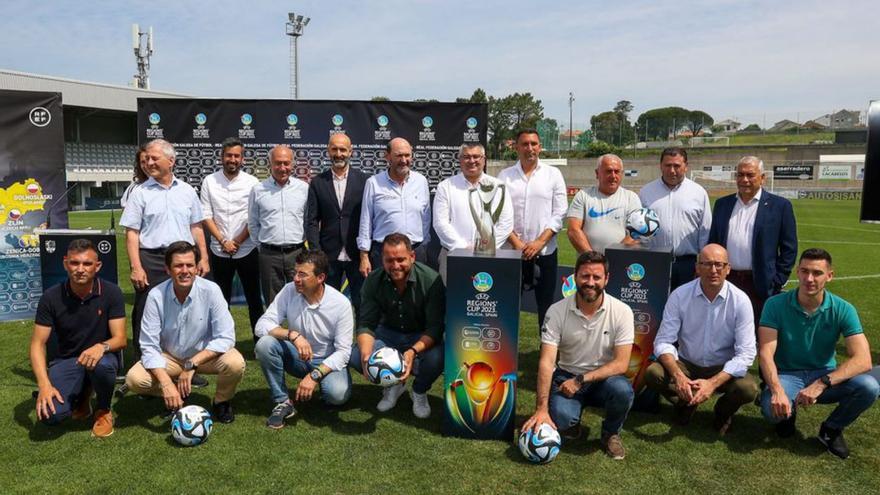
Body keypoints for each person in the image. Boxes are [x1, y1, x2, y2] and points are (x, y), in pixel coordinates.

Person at [759, 248, 879, 459]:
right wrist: (777, 390)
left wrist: (821, 383)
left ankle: (831, 429)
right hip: (788, 374)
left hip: (824, 374)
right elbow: (766, 353)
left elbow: (864, 359)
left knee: (869, 387)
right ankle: (787, 412)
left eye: (817, 273)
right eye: (804, 271)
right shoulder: (775, 304)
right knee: (771, 409)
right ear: (797, 271)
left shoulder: (843, 308)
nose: (809, 279)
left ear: (830, 276)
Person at [522, 251, 634, 460]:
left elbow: (621, 364)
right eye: (585, 276)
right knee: (562, 419)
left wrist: (582, 379)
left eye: (596, 277)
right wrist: (541, 409)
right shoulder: (556, 311)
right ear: (575, 277)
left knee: (622, 390)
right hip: (566, 376)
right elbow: (546, 362)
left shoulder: (622, 311)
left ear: (606, 279)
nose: (590, 282)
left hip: (604, 380)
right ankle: (571, 424)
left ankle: (610, 433)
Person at [124, 242, 245, 424]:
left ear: (197, 268)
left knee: (235, 363)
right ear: (168, 269)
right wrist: (165, 383)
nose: (185, 271)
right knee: (134, 379)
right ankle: (173, 392)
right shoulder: (155, 295)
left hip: (203, 356)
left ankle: (221, 401)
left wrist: (192, 365)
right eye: (178, 265)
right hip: (169, 358)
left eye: (189, 265)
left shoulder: (211, 290)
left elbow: (226, 337)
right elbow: (148, 346)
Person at [644, 244, 758, 435]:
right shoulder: (680, 295)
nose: (713, 270)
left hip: (722, 366)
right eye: (706, 264)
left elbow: (746, 353)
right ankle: (686, 403)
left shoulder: (741, 300)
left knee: (748, 388)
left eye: (719, 265)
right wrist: (679, 376)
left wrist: (712, 383)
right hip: (687, 363)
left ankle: (722, 413)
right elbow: (663, 341)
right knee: (653, 373)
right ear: (697, 267)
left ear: (728, 269)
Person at [120, 139, 210, 377]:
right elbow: (132, 233)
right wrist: (136, 266)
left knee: (187, 312)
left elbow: (197, 227)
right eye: (146, 159)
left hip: (183, 257)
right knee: (144, 311)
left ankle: (188, 367)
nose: (148, 163)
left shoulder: (188, 191)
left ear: (171, 161)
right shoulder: (139, 193)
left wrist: (204, 258)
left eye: (154, 158)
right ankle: (145, 368)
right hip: (151, 259)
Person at [30, 239, 127, 437]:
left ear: (97, 266)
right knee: (50, 416)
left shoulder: (111, 292)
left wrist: (101, 347)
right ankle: (82, 396)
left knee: (103, 366)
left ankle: (103, 410)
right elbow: (37, 344)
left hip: (102, 358)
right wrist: (44, 385)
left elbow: (120, 339)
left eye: (87, 264)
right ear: (65, 263)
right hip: (67, 360)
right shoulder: (50, 297)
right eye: (74, 263)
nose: (80, 269)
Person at [349, 233, 445, 418]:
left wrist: (412, 352)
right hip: (387, 335)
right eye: (389, 260)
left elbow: (435, 328)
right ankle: (394, 385)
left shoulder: (431, 280)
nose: (395, 265)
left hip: (420, 335)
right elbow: (366, 323)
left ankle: (419, 390)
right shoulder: (373, 280)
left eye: (401, 259)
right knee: (355, 355)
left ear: (412, 256)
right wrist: (366, 355)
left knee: (439, 356)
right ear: (382, 259)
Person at [254, 250, 353, 429]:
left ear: (320, 277)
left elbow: (344, 352)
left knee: (337, 396)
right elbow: (261, 326)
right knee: (264, 344)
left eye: (303, 274)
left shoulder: (340, 304)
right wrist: (293, 336)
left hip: (327, 361)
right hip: (298, 358)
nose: (296, 279)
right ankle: (282, 402)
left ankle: (324, 388)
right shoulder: (289, 290)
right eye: (295, 273)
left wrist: (314, 376)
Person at [709, 156, 797, 328]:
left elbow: (789, 248)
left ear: (763, 178)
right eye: (740, 175)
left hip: (760, 281)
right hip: (727, 278)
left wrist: (777, 279)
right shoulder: (723, 204)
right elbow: (714, 242)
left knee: (758, 330)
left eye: (750, 175)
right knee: (724, 327)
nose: (745, 180)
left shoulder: (780, 206)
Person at [497, 129, 567, 331]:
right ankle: (506, 357)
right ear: (516, 147)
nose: (530, 148)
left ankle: (545, 357)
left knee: (547, 309)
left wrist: (539, 242)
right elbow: (498, 212)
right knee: (508, 307)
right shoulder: (505, 176)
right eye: (525, 144)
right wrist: (516, 243)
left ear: (540, 147)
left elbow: (560, 212)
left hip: (545, 252)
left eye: (534, 144)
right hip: (512, 252)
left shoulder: (553, 174)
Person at [200, 137, 262, 342]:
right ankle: (221, 342)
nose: (232, 159)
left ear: (242, 158)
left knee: (254, 300)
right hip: (219, 251)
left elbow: (254, 218)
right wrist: (223, 240)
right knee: (220, 301)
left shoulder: (252, 183)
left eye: (236, 155)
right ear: (222, 156)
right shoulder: (209, 181)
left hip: (247, 250)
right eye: (229, 155)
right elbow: (206, 215)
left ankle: (259, 341)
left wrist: (237, 241)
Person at [432, 142, 512, 282]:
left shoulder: (499, 186)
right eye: (467, 157)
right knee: (451, 298)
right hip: (452, 254)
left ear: (484, 159)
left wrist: (485, 248)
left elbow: (506, 222)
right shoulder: (445, 187)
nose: (472, 161)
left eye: (476, 156)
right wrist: (463, 248)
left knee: (485, 299)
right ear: (459, 160)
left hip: (491, 256)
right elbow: (440, 223)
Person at [306, 133, 368, 310]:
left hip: (357, 255)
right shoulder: (318, 182)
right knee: (327, 305)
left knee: (361, 303)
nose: (338, 153)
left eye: (342, 149)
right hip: (328, 255)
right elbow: (311, 221)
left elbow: (369, 218)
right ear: (328, 151)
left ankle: (361, 338)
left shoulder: (365, 181)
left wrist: (366, 252)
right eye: (334, 149)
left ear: (350, 152)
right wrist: (317, 254)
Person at [639, 147, 712, 290]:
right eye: (668, 165)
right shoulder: (646, 192)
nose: (672, 170)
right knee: (656, 307)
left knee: (687, 309)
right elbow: (640, 230)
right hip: (655, 263)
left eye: (677, 166)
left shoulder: (699, 193)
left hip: (688, 265)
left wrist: (703, 264)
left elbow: (705, 231)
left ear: (686, 167)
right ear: (660, 166)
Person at [357, 137, 431, 277]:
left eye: (407, 155)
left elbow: (426, 217)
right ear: (388, 156)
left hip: (415, 251)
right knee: (383, 296)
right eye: (399, 155)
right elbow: (365, 221)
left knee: (415, 296)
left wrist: (423, 245)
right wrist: (364, 256)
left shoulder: (421, 181)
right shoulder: (373, 183)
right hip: (383, 253)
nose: (404, 160)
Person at [248, 144, 310, 305]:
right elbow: (253, 223)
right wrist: (262, 246)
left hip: (297, 253)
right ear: (270, 164)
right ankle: (273, 331)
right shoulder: (258, 190)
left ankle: (299, 331)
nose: (282, 168)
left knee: (301, 300)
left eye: (286, 163)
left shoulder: (304, 189)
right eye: (278, 163)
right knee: (272, 304)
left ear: (293, 164)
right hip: (269, 255)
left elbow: (310, 221)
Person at [567, 154, 641, 254]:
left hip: (620, 262)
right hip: (589, 264)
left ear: (622, 174)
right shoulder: (583, 196)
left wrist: (614, 256)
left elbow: (636, 233)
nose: (613, 176)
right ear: (597, 173)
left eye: (617, 171)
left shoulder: (631, 198)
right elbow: (573, 230)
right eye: (608, 171)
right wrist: (593, 259)